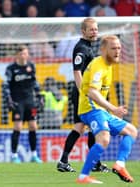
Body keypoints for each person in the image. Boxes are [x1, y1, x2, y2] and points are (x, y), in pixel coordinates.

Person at [76, 35, 138, 184]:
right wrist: (113, 108)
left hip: (100, 110)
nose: (117, 51)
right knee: (104, 139)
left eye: (119, 48)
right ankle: (83, 176)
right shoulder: (98, 65)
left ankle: (120, 165)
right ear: (103, 49)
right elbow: (92, 92)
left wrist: (110, 111)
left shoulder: (108, 65)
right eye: (113, 48)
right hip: (90, 108)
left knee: (131, 131)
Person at [57, 17, 110, 172]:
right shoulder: (81, 48)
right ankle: (89, 163)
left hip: (88, 94)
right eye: (91, 29)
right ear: (84, 31)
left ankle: (65, 161)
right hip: (84, 94)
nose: (95, 32)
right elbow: (77, 72)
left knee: (84, 128)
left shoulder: (90, 46)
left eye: (96, 29)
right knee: (90, 127)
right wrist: (84, 93)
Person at [3, 45, 43, 164]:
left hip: (30, 101)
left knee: (33, 126)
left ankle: (34, 155)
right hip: (17, 101)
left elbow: (34, 83)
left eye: (25, 53)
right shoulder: (11, 68)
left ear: (28, 54)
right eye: (21, 54)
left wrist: (39, 96)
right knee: (18, 127)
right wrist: (8, 99)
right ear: (16, 55)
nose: (23, 56)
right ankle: (14, 155)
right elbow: (6, 85)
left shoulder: (31, 66)